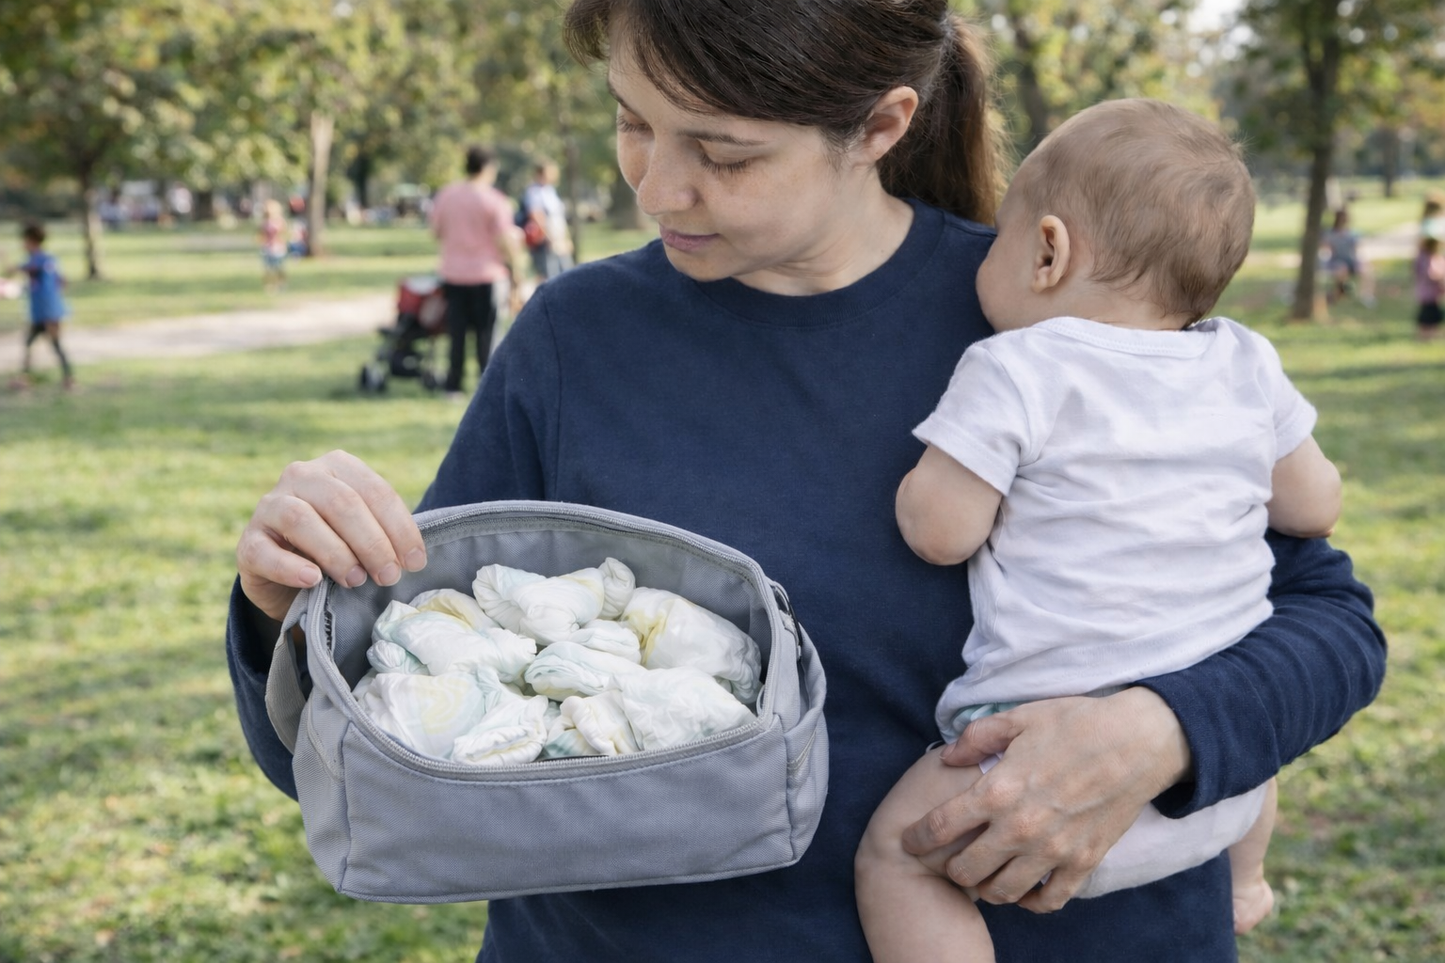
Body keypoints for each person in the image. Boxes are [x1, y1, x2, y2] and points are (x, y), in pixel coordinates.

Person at [226, 3, 1386, 960]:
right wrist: (288, 604)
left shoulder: (1049, 323)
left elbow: (1332, 627)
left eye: (723, 154)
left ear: (881, 124)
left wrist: (1157, 733)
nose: (658, 190)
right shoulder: (578, 338)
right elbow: (388, 748)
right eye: (633, 123)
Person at [854, 99, 1345, 963]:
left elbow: (939, 533)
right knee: (1238, 708)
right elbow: (1313, 507)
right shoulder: (1242, 360)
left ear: (1047, 250)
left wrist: (912, 489)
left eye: (1000, 235)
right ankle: (1246, 880)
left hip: (1029, 764)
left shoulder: (1016, 366)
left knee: (898, 855)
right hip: (1218, 778)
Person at [428, 144, 523, 398]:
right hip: (487, 275)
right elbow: (505, 241)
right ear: (489, 167)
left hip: (453, 274)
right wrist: (516, 272)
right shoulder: (495, 200)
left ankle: (453, 386)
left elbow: (435, 232)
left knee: (456, 334)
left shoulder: (446, 195)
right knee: (487, 336)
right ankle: (486, 388)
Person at [4, 221, 75, 390]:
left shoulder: (37, 260)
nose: (23, 245)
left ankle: (67, 379)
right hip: (46, 310)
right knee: (31, 343)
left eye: (25, 241)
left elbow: (21, 269)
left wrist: (9, 264)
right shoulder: (49, 259)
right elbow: (61, 281)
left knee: (53, 344)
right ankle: (26, 378)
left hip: (47, 311)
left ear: (31, 240)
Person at [520, 160, 575, 282]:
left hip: (558, 239)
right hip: (545, 242)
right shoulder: (534, 192)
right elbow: (536, 215)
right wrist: (549, 238)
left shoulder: (550, 190)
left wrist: (566, 238)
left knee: (566, 274)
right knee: (550, 277)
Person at [1322, 208, 1373, 307]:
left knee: (1366, 270)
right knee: (1341, 270)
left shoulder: (1352, 233)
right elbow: (1327, 250)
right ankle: (1340, 294)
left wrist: (1361, 262)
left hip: (1351, 261)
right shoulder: (1331, 234)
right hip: (1337, 261)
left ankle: (1366, 296)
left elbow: (1357, 250)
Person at [1414, 234, 1444, 342]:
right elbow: (1431, 273)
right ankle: (1425, 337)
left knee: (1434, 315)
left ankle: (1431, 336)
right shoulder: (1427, 258)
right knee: (1427, 316)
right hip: (1428, 294)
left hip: (1432, 293)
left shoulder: (1430, 257)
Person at [257, 199, 289, 293]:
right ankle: (269, 286)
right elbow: (260, 234)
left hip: (278, 248)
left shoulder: (280, 221)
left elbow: (285, 234)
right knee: (267, 269)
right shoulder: (264, 222)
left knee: (279, 268)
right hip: (267, 248)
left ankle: (281, 284)